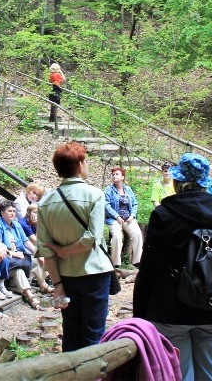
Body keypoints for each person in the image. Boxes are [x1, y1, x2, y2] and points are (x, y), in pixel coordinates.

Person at [133, 152, 212, 381]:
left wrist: (141, 308)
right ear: (204, 183)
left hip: (172, 306)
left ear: (177, 182)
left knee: (179, 373)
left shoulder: (163, 214)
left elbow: (151, 264)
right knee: (210, 372)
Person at [37, 142, 114, 352]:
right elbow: (92, 238)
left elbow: (45, 249)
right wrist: (65, 250)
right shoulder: (95, 195)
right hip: (94, 274)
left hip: (66, 277)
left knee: (70, 332)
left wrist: (58, 283)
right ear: (80, 164)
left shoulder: (46, 202)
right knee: (94, 333)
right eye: (85, 160)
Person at [0, 201, 40, 308]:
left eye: (14, 211)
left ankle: (24, 286)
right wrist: (14, 254)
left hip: (20, 257)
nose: (12, 213)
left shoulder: (17, 225)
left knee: (37, 260)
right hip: (7, 257)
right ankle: (30, 296)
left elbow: (26, 242)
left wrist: (38, 253)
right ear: (2, 213)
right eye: (9, 211)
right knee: (19, 270)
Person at [104, 167, 143, 268]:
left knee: (137, 234)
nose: (114, 176)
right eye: (113, 174)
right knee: (117, 236)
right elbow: (106, 205)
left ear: (122, 177)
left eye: (117, 174)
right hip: (114, 219)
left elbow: (134, 203)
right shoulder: (109, 190)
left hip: (128, 218)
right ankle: (116, 263)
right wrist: (116, 216)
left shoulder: (128, 189)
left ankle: (137, 261)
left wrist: (132, 215)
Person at [19, 204, 53, 293]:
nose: (36, 215)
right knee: (40, 257)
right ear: (27, 213)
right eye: (34, 212)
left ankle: (45, 282)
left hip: (31, 247)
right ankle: (45, 283)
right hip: (23, 248)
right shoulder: (23, 224)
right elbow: (35, 240)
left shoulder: (33, 223)